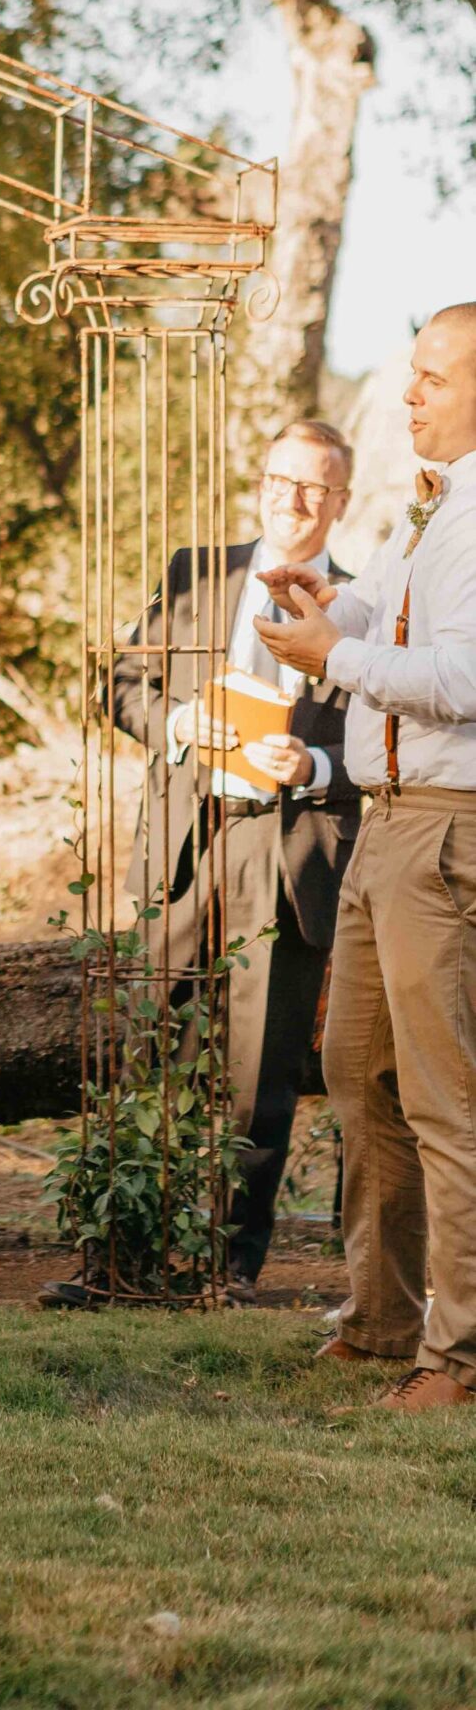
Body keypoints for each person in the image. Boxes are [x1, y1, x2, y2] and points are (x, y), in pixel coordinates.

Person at [68, 421, 361, 1300]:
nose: (292, 499)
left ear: (340, 502)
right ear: (259, 481)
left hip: (287, 851)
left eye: (314, 487)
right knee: (141, 1054)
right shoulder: (195, 571)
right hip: (181, 847)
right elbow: (118, 685)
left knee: (256, 1084)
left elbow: (395, 742)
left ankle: (222, 1271)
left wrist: (313, 765)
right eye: (280, 479)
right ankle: (113, 1260)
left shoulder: (360, 602)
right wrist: (179, 724)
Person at [257, 304, 476, 1413]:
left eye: (434, 376)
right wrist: (327, 606)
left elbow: (466, 679)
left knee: (447, 1098)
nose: (411, 395)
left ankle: (463, 1353)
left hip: (447, 823)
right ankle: (385, 1316)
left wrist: (332, 652)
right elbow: (389, 617)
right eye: (412, 374)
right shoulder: (432, 512)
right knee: (357, 1071)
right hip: (385, 824)